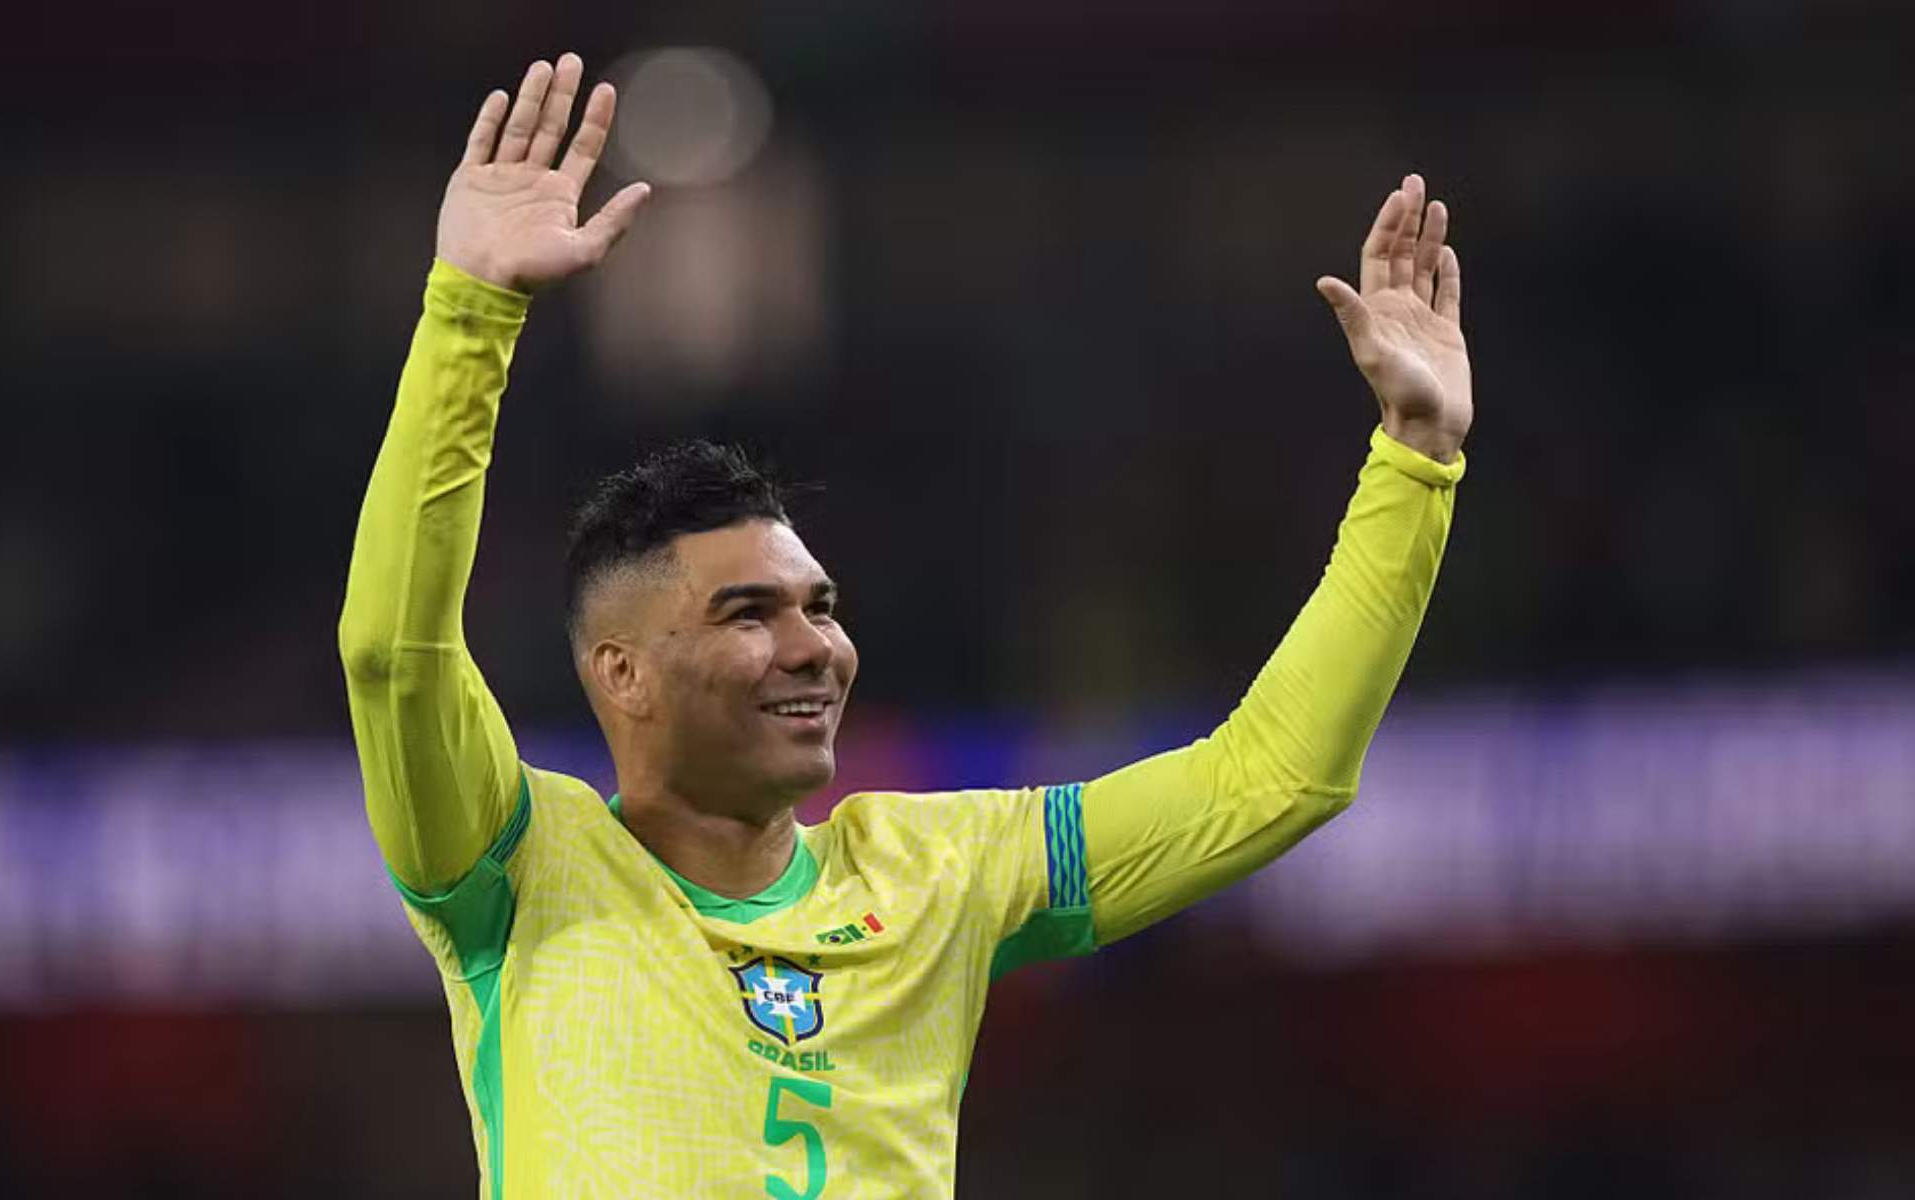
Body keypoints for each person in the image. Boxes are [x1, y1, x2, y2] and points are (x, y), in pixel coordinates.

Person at [338, 51, 1471, 1200]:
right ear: (621, 673)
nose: (812, 648)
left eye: (818, 607)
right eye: (748, 613)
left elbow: (1270, 779)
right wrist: (468, 317)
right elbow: (392, 656)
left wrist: (1414, 462)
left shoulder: (938, 876)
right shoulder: (517, 867)